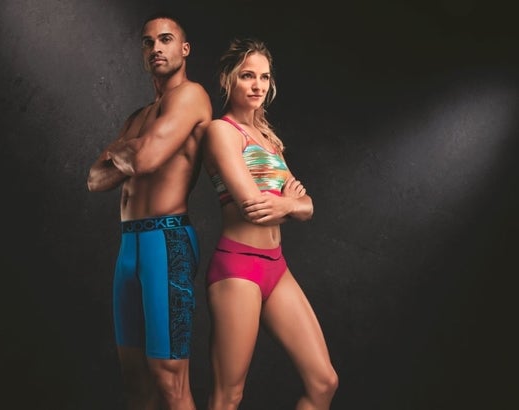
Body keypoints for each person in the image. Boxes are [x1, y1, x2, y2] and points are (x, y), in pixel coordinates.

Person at [202, 38, 339, 410]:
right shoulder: (222, 132)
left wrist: (288, 204)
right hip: (237, 267)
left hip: (276, 267)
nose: (257, 85)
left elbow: (308, 207)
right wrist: (289, 203)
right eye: (248, 76)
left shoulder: (269, 140)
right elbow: (252, 207)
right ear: (229, 79)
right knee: (229, 396)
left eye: (264, 77)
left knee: (324, 382)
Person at [86, 13, 212, 410]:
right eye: (148, 42)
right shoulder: (137, 117)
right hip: (129, 247)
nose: (156, 47)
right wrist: (135, 151)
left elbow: (145, 159)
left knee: (169, 380)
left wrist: (122, 152)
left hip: (166, 241)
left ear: (184, 49)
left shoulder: (191, 96)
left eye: (165, 39)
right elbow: (94, 178)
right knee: (135, 379)